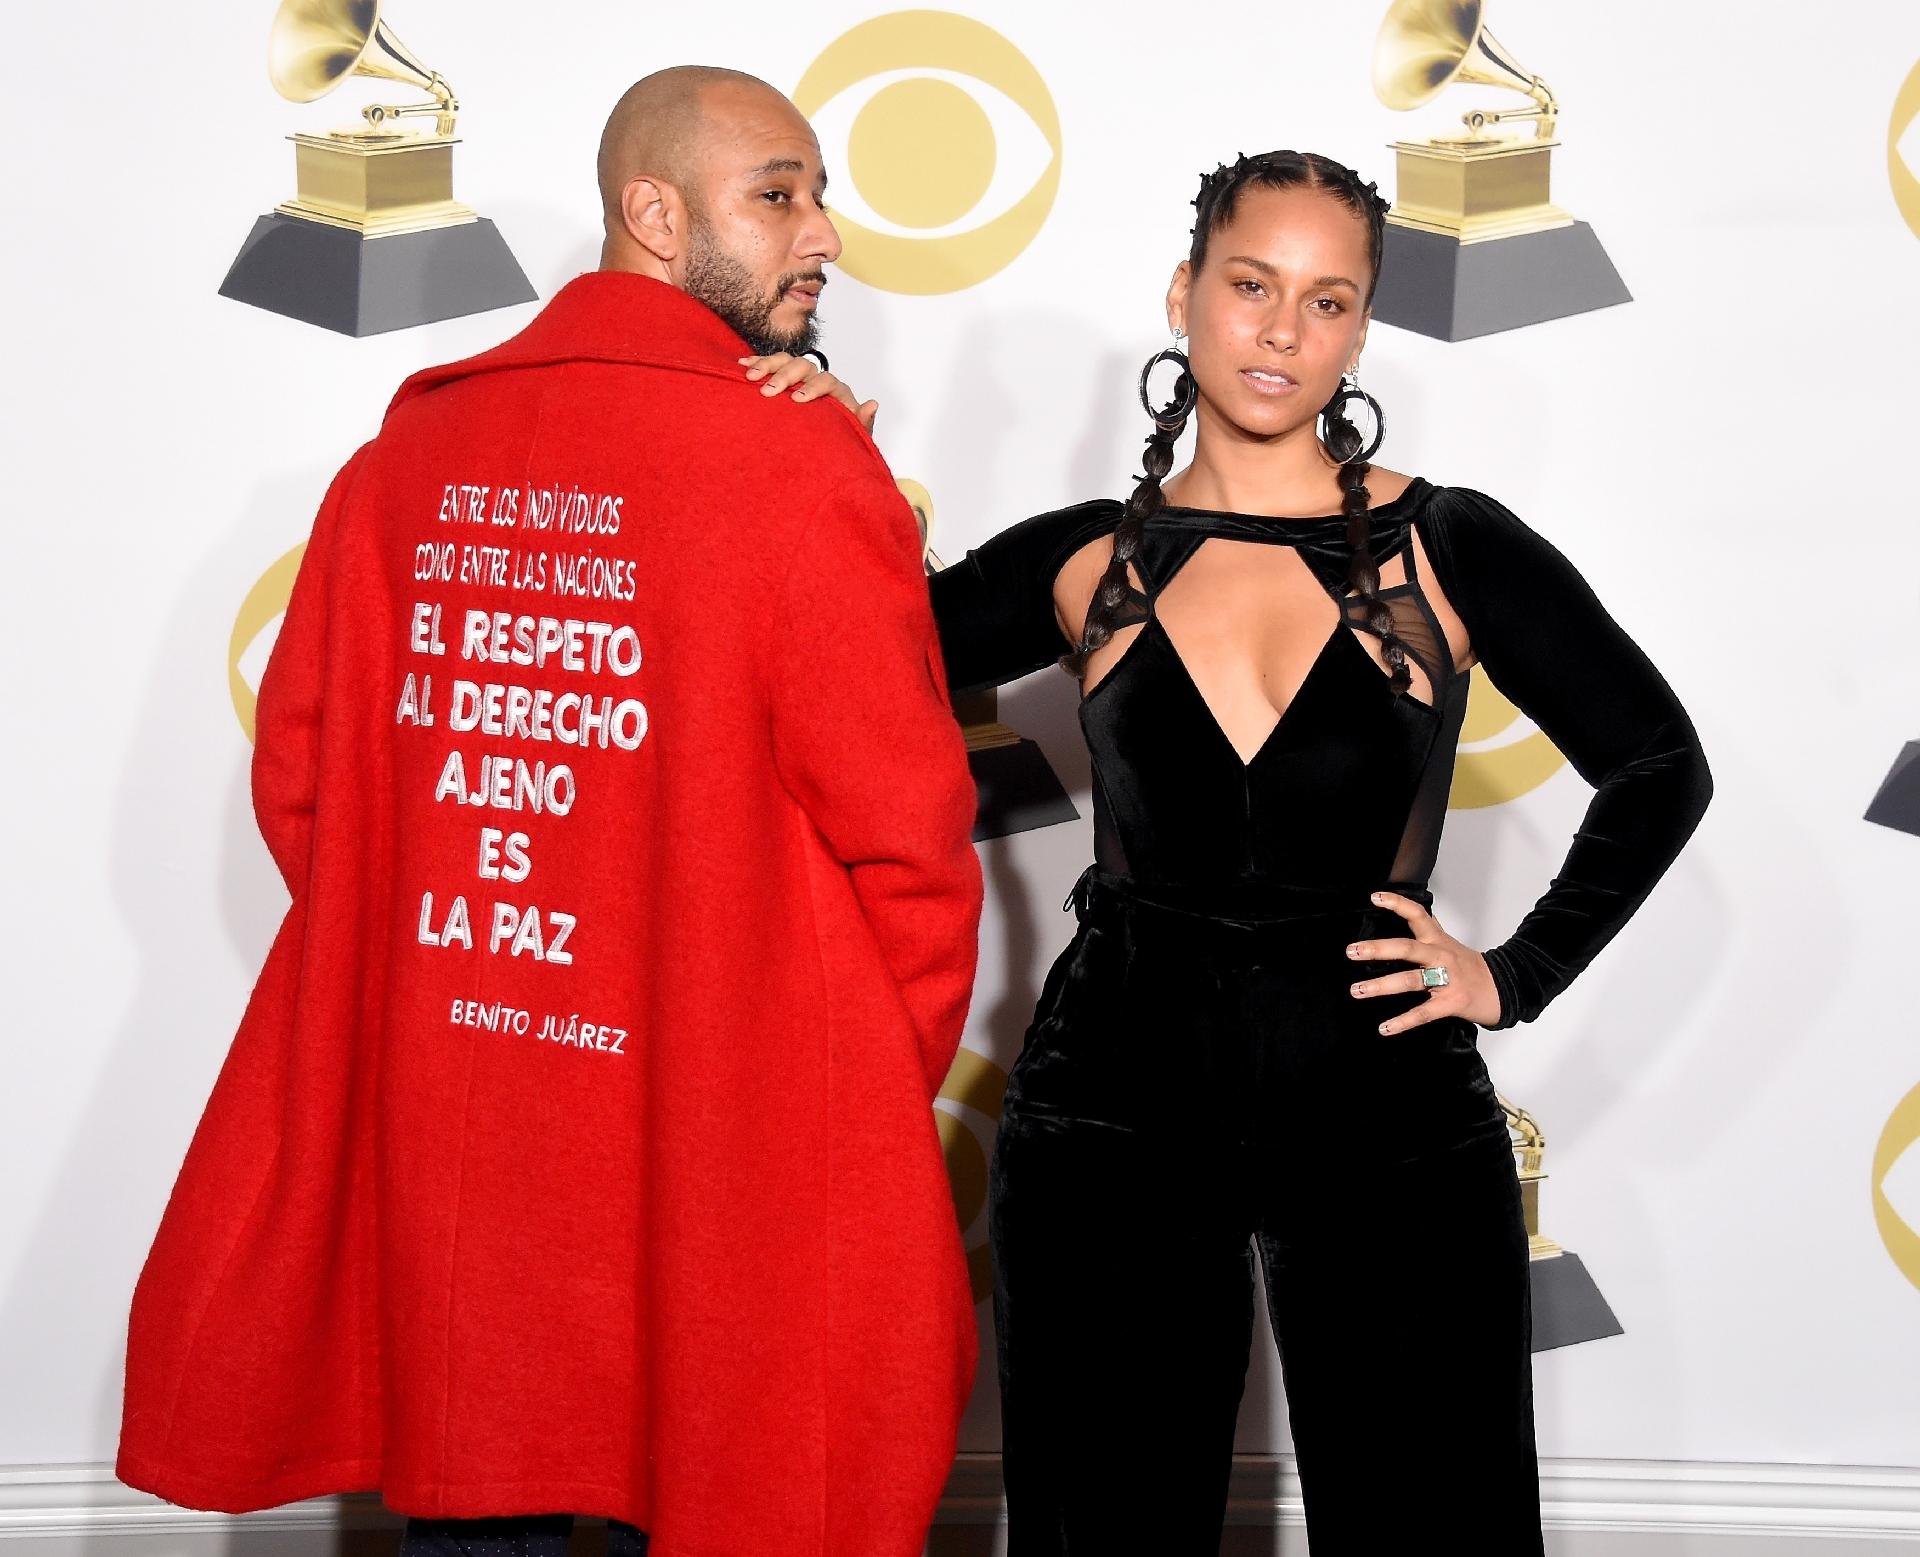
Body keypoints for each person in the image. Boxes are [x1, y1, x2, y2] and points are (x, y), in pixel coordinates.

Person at [116, 66, 983, 1557]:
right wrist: (820, 1102)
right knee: (723, 1494)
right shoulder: (794, 468)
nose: (823, 233)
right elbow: (911, 853)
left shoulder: (400, 468)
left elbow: (311, 788)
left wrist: (480, 970)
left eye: (818, 194)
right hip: (715, 1158)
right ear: (653, 213)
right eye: (779, 192)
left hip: (463, 1140)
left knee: (476, 1504)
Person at [922, 151, 1713, 1553]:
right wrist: (789, 444)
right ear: (1186, 294)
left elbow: (1660, 766)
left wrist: (1512, 971)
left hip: (1388, 1114)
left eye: (1328, 299)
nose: (1284, 330)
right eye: (1251, 285)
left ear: (1360, 330)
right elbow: (825, 651)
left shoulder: (1449, 547)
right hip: (1112, 1111)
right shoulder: (1080, 560)